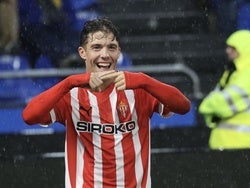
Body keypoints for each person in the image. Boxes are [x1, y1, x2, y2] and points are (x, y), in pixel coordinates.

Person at [22, 17, 191, 187]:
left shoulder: (139, 88)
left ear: (119, 52)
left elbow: (184, 106)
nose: (105, 55)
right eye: (96, 47)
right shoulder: (70, 94)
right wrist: (69, 82)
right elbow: (29, 116)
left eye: (111, 47)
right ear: (83, 52)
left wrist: (144, 80)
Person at [199, 30, 250, 150]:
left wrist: (207, 105)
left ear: (245, 49)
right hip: (229, 148)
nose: (228, 51)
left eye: (233, 48)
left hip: (247, 150)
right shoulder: (233, 73)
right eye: (228, 47)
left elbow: (220, 105)